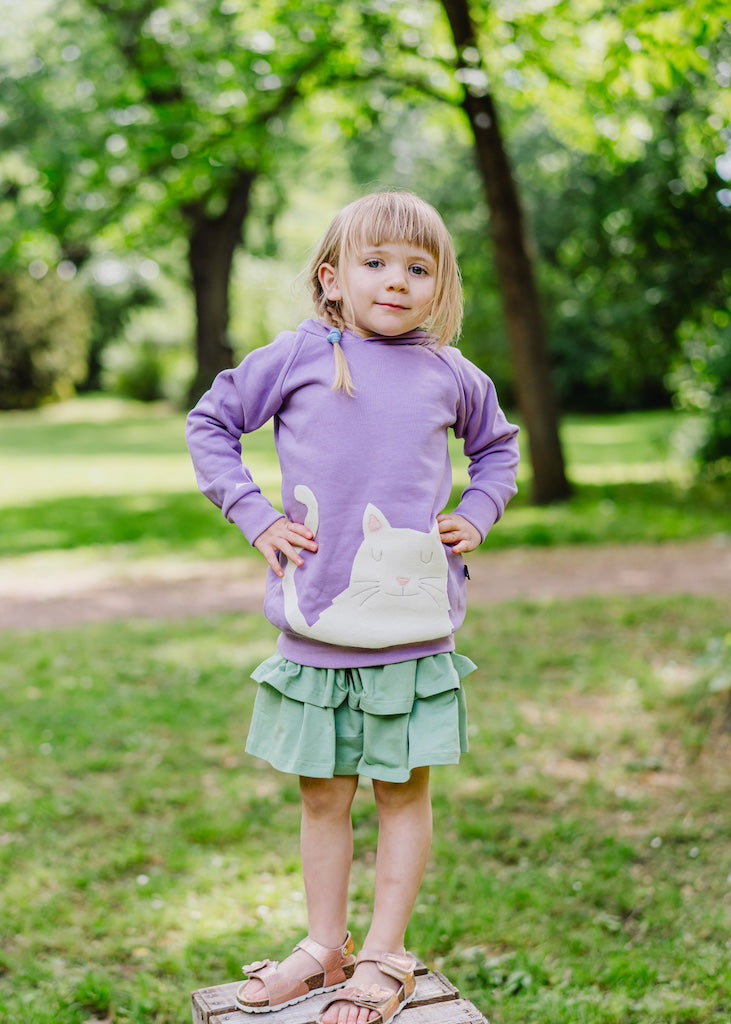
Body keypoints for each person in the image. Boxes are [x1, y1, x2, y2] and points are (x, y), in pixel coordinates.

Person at [185, 190, 520, 1024]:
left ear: (440, 284)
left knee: (403, 792)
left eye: (418, 267)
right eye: (375, 264)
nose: (397, 281)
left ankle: (385, 953)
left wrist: (475, 513)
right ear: (332, 279)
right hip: (316, 627)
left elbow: (498, 450)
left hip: (412, 634)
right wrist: (254, 516)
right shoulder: (299, 356)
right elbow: (211, 423)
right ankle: (324, 944)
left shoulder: (450, 372)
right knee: (322, 795)